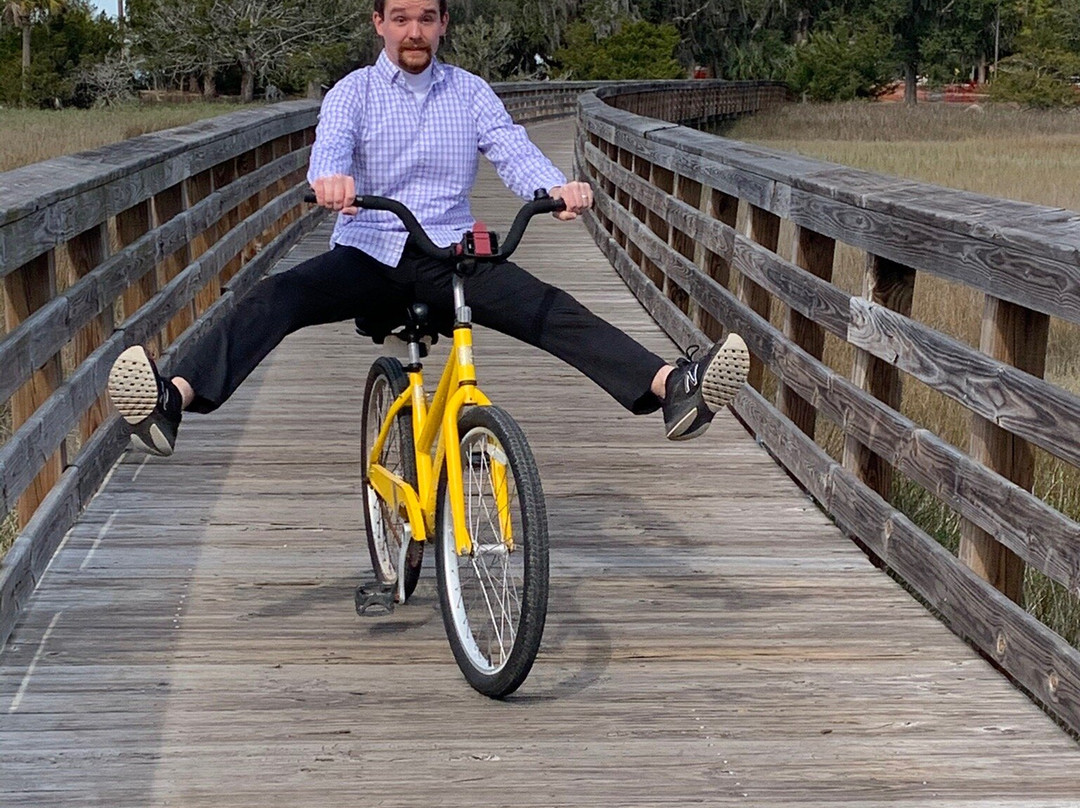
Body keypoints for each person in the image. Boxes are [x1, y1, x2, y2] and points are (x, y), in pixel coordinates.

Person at [107, 0, 750, 457]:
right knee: (277, 297)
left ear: (442, 24)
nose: (414, 32)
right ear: (379, 24)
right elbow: (329, 151)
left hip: (450, 255)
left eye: (427, 19)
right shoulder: (352, 93)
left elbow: (511, 148)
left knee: (550, 309)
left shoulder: (468, 91)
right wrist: (330, 181)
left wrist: (553, 187)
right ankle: (173, 398)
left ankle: (673, 387)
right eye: (401, 19)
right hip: (370, 253)